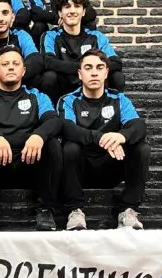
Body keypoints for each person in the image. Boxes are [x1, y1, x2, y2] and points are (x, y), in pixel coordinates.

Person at [0, 47, 61, 232]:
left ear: (23, 70)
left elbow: (53, 120)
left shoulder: (37, 96)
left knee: (51, 144)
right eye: (5, 64)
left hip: (30, 163)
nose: (11, 67)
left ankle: (46, 209)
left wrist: (39, 135)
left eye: (15, 64)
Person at [59, 49, 149, 231]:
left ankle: (127, 210)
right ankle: (75, 210)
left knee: (142, 148)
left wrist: (121, 136)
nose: (94, 73)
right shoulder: (68, 100)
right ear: (80, 74)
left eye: (99, 68)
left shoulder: (119, 99)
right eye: (88, 68)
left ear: (106, 73)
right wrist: (101, 138)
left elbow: (138, 126)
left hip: (111, 165)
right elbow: (68, 129)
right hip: (82, 168)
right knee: (69, 147)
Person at [39, 0, 124, 100]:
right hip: (64, 86)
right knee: (49, 77)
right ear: (60, 13)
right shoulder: (50, 36)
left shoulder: (96, 36)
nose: (72, 11)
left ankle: (112, 107)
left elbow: (116, 62)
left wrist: (91, 70)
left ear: (83, 12)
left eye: (77, 6)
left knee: (117, 76)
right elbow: (48, 62)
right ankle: (54, 109)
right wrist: (85, 67)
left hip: (92, 84)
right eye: (67, 7)